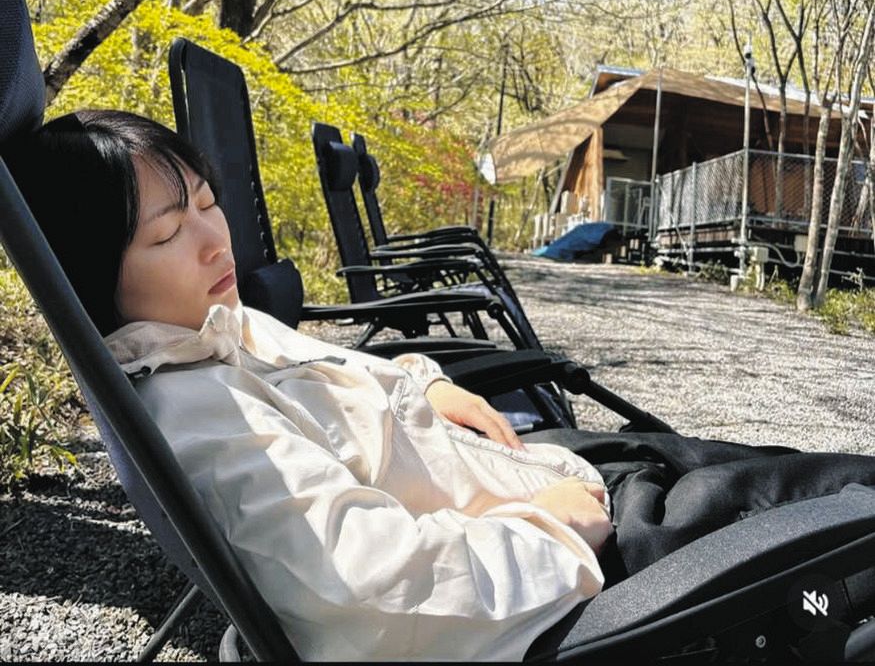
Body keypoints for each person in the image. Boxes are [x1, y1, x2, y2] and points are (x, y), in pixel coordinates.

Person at [8, 109, 875, 661]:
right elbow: (367, 588)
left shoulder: (215, 328)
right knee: (840, 513)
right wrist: (555, 529)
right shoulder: (198, 410)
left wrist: (423, 385)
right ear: (92, 274)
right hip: (571, 560)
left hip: (535, 478)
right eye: (168, 234)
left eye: (207, 202)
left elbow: (343, 369)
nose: (213, 240)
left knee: (776, 467)